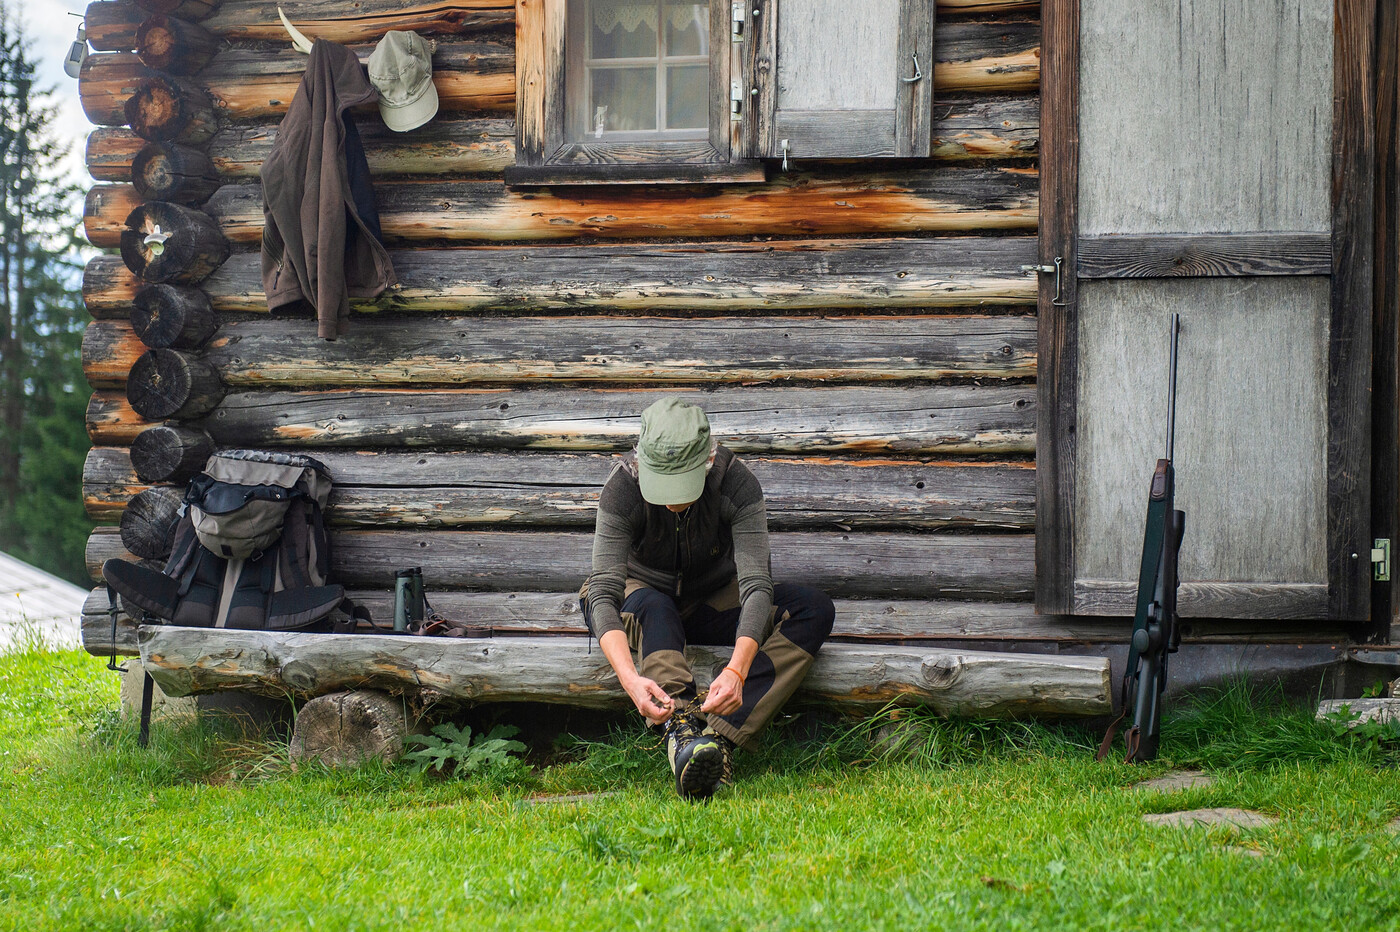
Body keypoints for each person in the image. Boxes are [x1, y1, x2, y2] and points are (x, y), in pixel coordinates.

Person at [581, 397, 836, 800]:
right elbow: (603, 593)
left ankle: (717, 743)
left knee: (813, 609)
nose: (671, 499)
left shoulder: (737, 483)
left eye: (681, 482)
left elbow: (756, 586)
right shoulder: (622, 488)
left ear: (707, 460)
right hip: (639, 597)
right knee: (656, 606)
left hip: (711, 598)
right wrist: (630, 681)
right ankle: (681, 733)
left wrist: (736, 671)